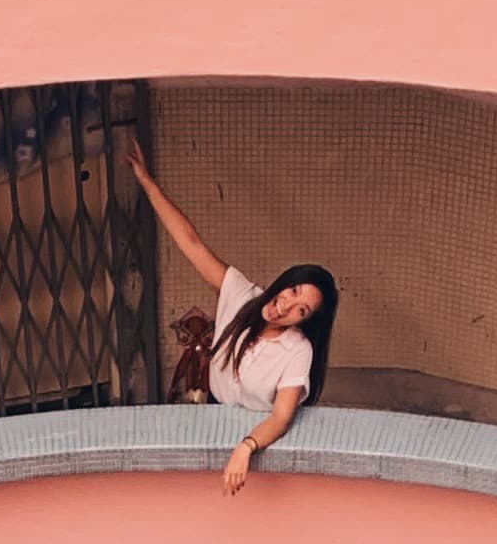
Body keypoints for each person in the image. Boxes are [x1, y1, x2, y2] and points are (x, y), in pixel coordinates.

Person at [122, 150, 339, 498]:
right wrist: (147, 183)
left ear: (306, 322)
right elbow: (190, 241)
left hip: (258, 436)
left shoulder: (298, 350)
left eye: (301, 310)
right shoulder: (242, 296)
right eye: (292, 291)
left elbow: (282, 417)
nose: (285, 306)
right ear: (285, 280)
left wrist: (247, 446)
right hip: (212, 413)